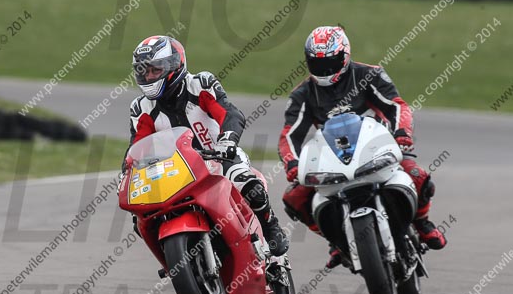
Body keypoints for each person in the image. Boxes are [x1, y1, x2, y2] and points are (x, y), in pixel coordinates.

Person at [279, 26, 446, 268]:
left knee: (417, 175)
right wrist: (292, 163)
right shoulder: (302, 94)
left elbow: (397, 106)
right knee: (293, 197)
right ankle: (336, 240)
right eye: (317, 63)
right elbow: (289, 134)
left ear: (344, 56)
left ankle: (422, 222)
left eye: (331, 62)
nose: (324, 69)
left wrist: (402, 133)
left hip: (377, 145)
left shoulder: (370, 74)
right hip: (334, 155)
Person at [122, 35, 289, 256]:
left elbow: (229, 113)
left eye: (155, 70)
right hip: (175, 171)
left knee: (245, 181)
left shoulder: (200, 84)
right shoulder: (140, 108)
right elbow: (137, 145)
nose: (149, 76)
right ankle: (176, 259)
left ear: (174, 64)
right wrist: (127, 172)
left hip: (218, 157)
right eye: (144, 71)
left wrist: (227, 140)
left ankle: (271, 227)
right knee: (142, 217)